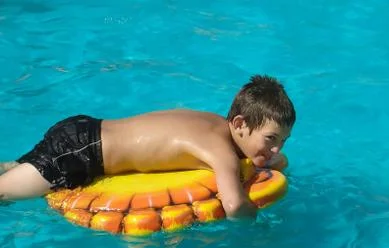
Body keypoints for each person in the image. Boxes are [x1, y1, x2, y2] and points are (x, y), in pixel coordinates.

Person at [0, 74, 295, 218]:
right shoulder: (220, 151)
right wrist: (262, 225)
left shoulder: (216, 123)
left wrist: (270, 160)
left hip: (83, 131)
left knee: (15, 170)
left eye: (282, 142)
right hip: (82, 153)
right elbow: (234, 206)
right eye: (270, 139)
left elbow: (266, 159)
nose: (276, 150)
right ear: (241, 124)